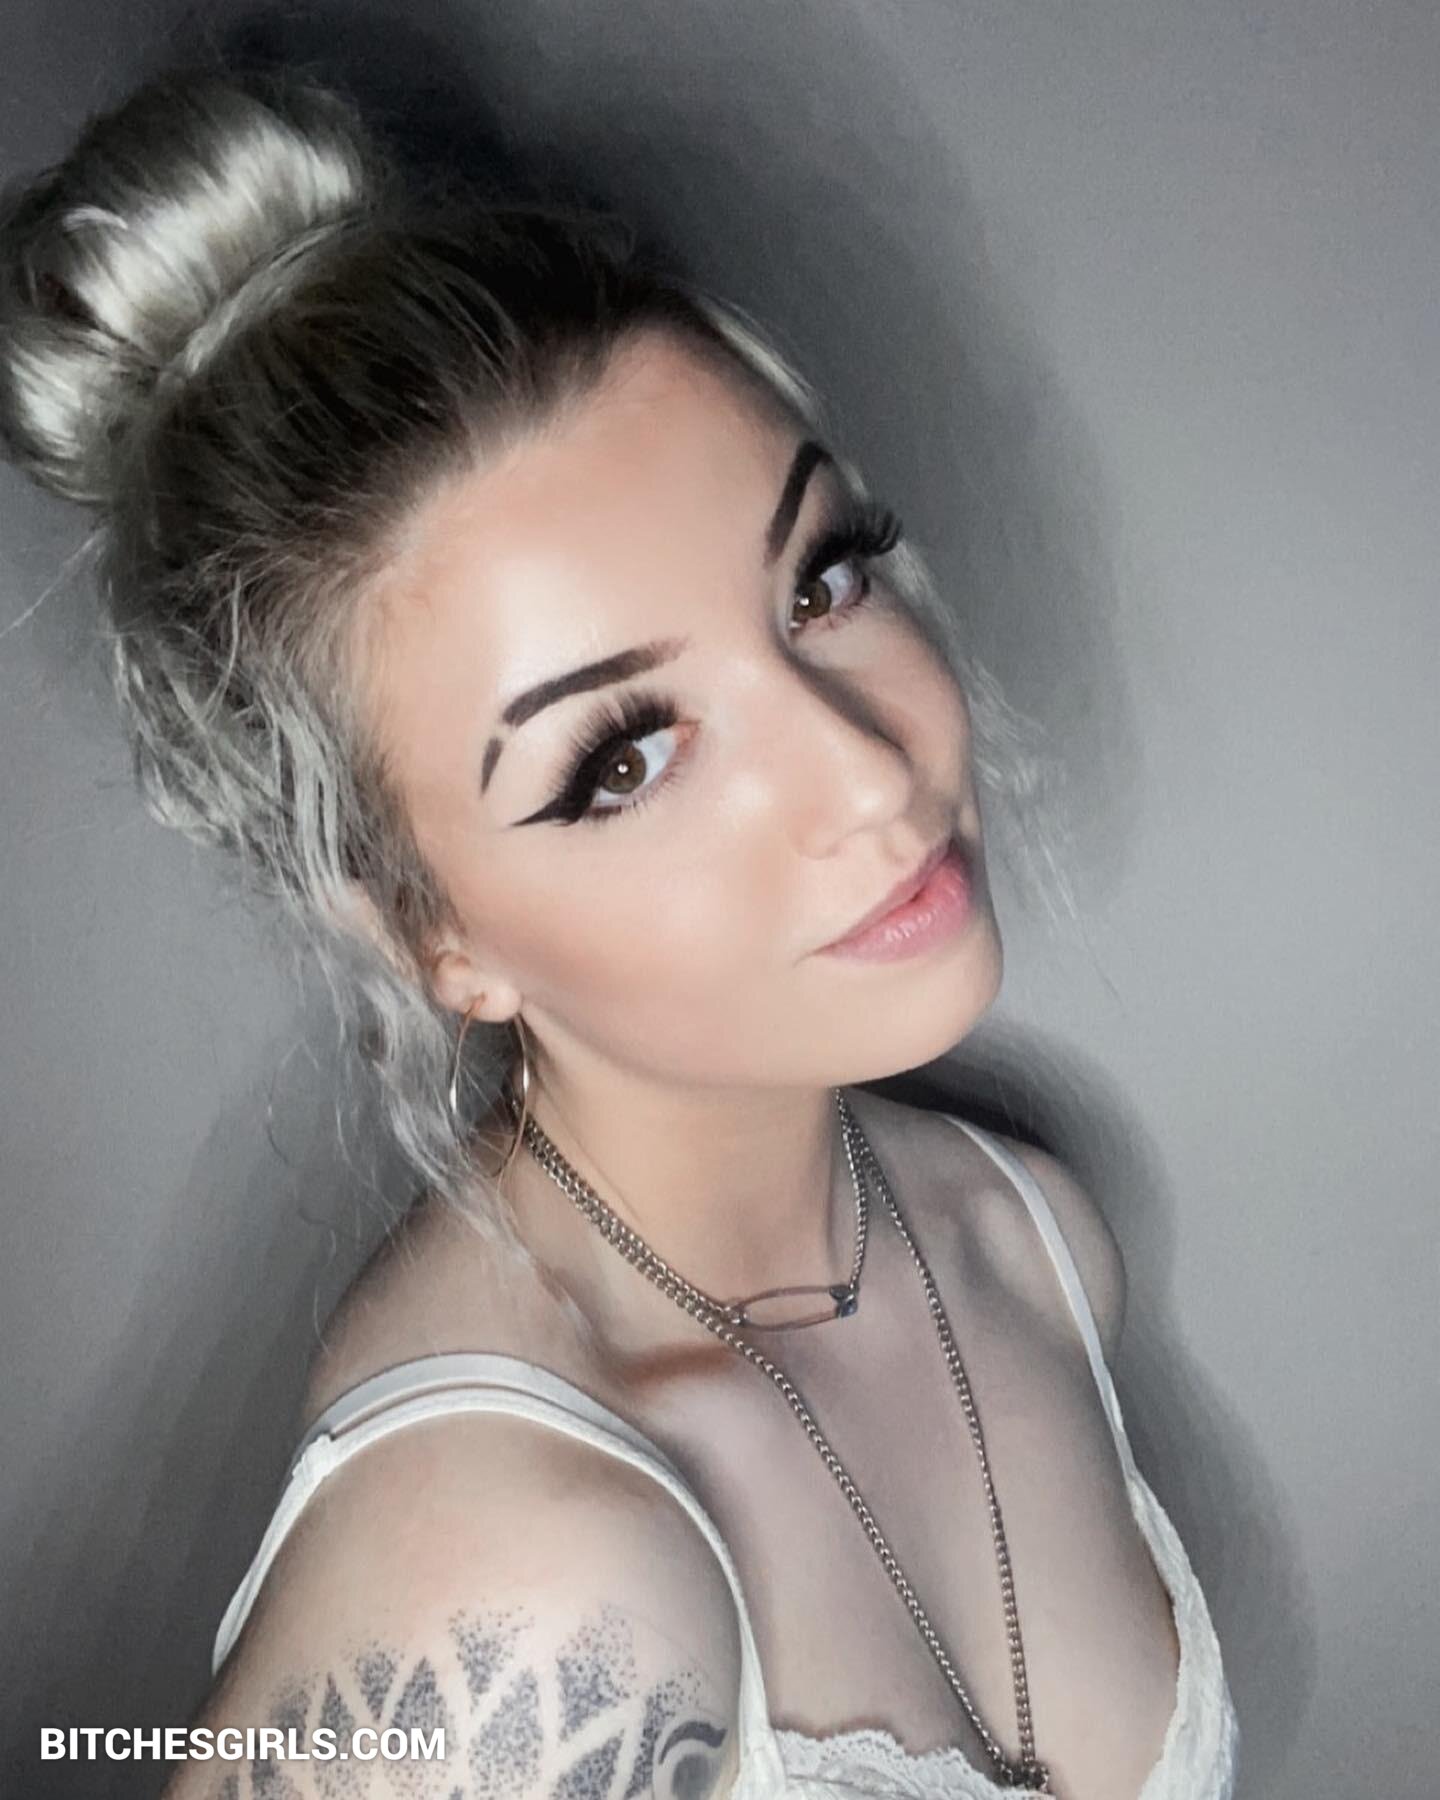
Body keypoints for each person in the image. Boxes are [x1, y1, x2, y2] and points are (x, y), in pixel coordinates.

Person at [0, 65, 1238, 1800]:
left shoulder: (1032, 1237)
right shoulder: (526, 1599)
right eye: (623, 758)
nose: (870, 772)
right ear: (431, 933)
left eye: (821, 578)